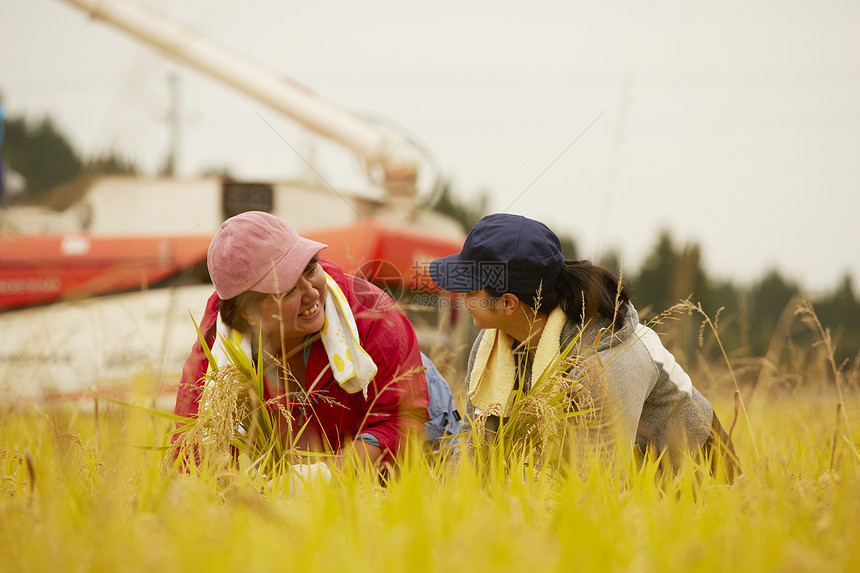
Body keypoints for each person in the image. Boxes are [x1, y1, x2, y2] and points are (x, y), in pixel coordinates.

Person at [429, 213, 739, 479]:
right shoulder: (491, 346)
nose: (459, 297)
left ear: (508, 303)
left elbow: (598, 487)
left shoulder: (604, 364)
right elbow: (477, 446)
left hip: (693, 489)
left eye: (468, 289)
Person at [173, 211, 431, 469]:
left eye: (309, 269)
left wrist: (325, 478)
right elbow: (191, 448)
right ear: (246, 313)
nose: (311, 293)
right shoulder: (215, 351)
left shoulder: (373, 315)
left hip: (422, 411)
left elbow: (400, 421)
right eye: (288, 290)